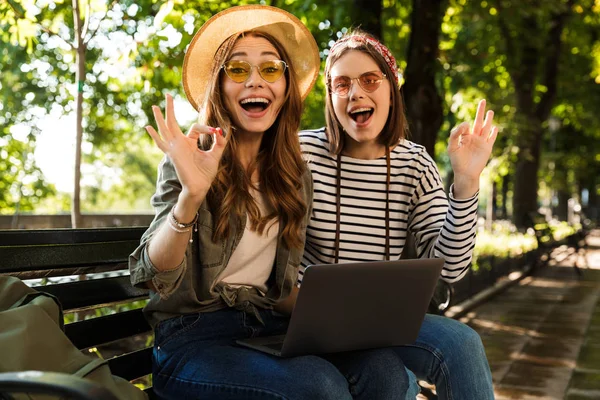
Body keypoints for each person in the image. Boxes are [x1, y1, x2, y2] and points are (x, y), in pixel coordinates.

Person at [129, 7, 416, 400]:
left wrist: (350, 317)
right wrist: (191, 196)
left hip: (265, 328)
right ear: (220, 86)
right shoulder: (193, 157)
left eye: (269, 69)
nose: (254, 82)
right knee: (320, 387)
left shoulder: (293, 173)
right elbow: (153, 274)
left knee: (385, 370)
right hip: (192, 340)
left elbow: (279, 293)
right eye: (237, 70)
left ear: (284, 88)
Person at [297, 30, 498, 399]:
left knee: (462, 343)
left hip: (379, 321)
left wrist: (467, 183)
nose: (356, 92)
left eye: (370, 80)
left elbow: (450, 268)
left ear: (391, 89)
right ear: (331, 98)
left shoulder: (414, 163)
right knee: (399, 384)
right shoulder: (303, 152)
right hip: (310, 322)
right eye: (342, 84)